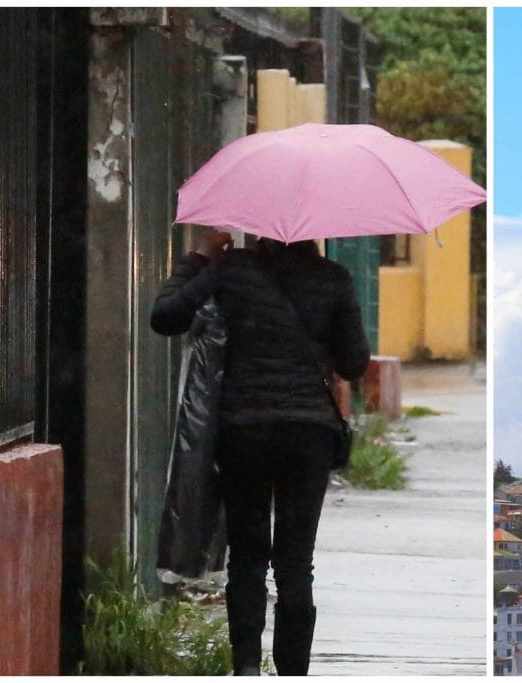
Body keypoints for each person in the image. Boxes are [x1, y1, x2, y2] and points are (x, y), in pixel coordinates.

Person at [151, 230, 371, 676]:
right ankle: (293, 672)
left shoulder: (232, 270)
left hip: (243, 431)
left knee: (247, 559)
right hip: (308, 435)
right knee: (295, 562)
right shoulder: (334, 278)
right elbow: (355, 363)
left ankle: (247, 667)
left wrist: (199, 258)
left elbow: (167, 316)